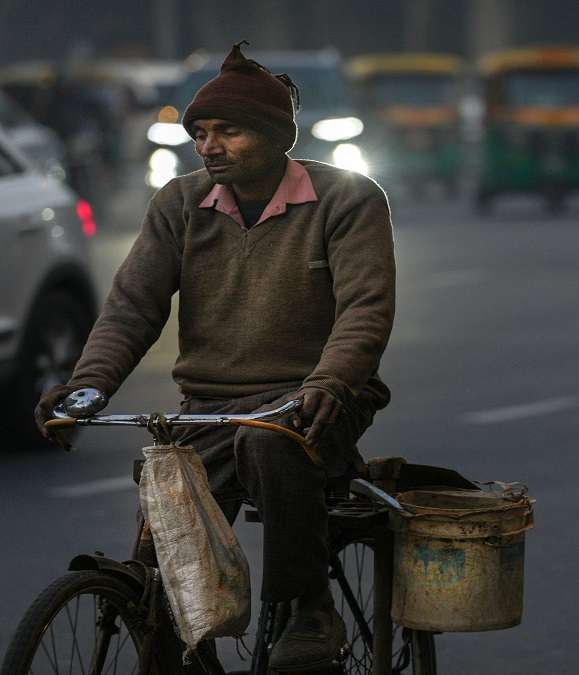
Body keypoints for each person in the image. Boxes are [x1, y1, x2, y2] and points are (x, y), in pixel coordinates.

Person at [34, 43, 396, 670]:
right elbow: (132, 309)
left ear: (274, 135)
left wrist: (331, 381)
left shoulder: (347, 198)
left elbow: (365, 309)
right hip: (209, 408)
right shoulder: (179, 202)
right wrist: (87, 388)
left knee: (271, 443)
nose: (208, 145)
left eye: (227, 131)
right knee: (161, 578)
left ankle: (308, 607)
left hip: (315, 403)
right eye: (199, 132)